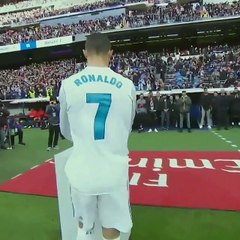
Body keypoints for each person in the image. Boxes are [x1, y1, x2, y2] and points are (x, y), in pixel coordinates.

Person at [59, 33, 136, 240]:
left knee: (84, 227)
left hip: (82, 168)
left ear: (85, 53)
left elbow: (65, 131)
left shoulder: (68, 84)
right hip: (114, 170)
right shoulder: (127, 85)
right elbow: (127, 126)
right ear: (111, 53)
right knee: (112, 229)